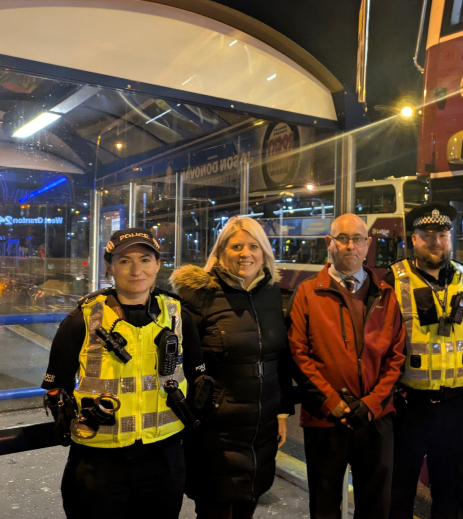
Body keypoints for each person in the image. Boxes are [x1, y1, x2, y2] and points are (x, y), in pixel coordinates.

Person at [41, 228, 208, 519]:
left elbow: (199, 378)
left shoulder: (179, 315)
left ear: (157, 264)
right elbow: (58, 389)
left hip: (164, 456)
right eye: (124, 261)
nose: (136, 270)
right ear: (109, 267)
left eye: (145, 259)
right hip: (99, 460)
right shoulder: (83, 319)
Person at [169, 216, 294, 519]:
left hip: (260, 427)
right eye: (236, 246)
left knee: (248, 504)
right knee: (216, 509)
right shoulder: (198, 296)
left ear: (265, 252)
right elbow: (178, 363)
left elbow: (282, 360)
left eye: (253, 246)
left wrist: (281, 412)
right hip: (215, 429)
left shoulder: (274, 295)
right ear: (221, 251)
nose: (245, 253)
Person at [287, 213, 406, 519]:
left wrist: (371, 403)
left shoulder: (387, 294)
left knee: (375, 506)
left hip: (375, 419)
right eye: (342, 238)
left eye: (357, 239)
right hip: (325, 420)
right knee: (324, 507)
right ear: (330, 243)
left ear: (367, 245)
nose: (350, 246)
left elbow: (396, 357)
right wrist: (332, 402)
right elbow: (298, 355)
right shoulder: (307, 292)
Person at [385, 203, 463, 519]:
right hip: (409, 407)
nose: (436, 241)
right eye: (427, 234)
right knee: (396, 492)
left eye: (442, 233)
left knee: (453, 496)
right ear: (413, 239)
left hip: (457, 406)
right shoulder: (394, 279)